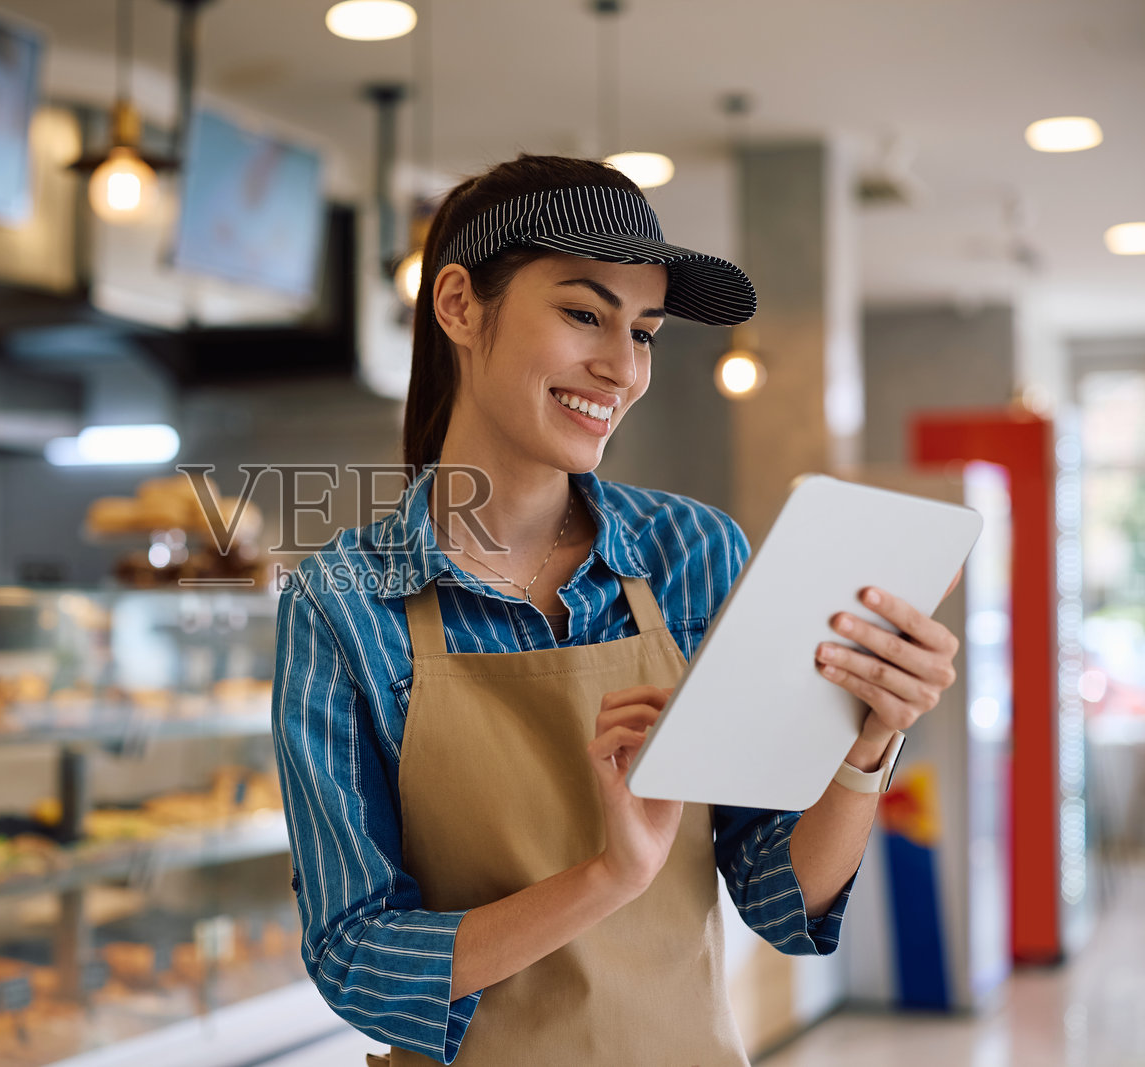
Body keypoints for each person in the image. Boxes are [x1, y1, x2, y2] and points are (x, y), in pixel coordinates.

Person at [270, 154, 961, 1065]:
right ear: (459, 305)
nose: (622, 367)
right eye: (583, 314)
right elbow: (358, 959)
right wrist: (609, 876)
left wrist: (868, 741)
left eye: (644, 331)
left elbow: (781, 897)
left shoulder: (693, 553)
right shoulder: (344, 601)